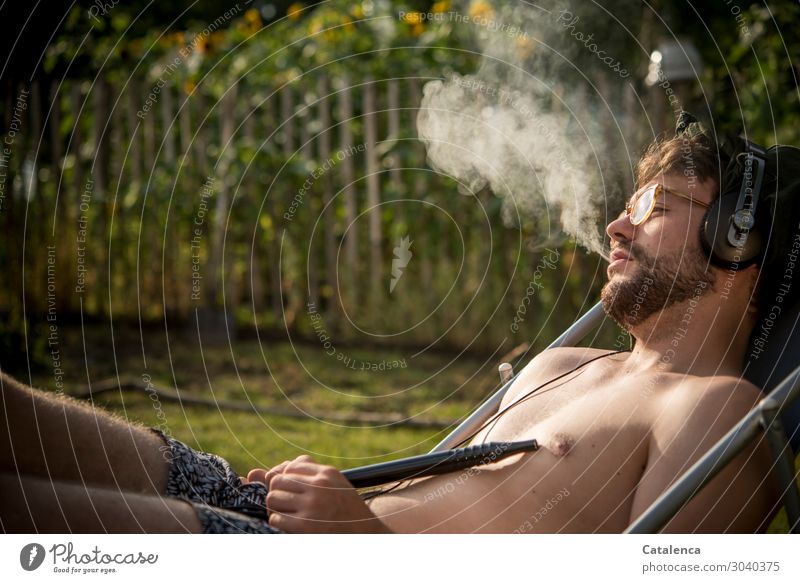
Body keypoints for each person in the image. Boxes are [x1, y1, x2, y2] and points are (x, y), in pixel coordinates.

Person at [2, 115, 798, 534]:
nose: (615, 230)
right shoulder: (563, 365)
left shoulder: (721, 413)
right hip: (293, 526)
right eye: (625, 210)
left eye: (653, 209)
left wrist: (367, 546)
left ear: (739, 239)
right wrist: (331, 496)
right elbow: (421, 486)